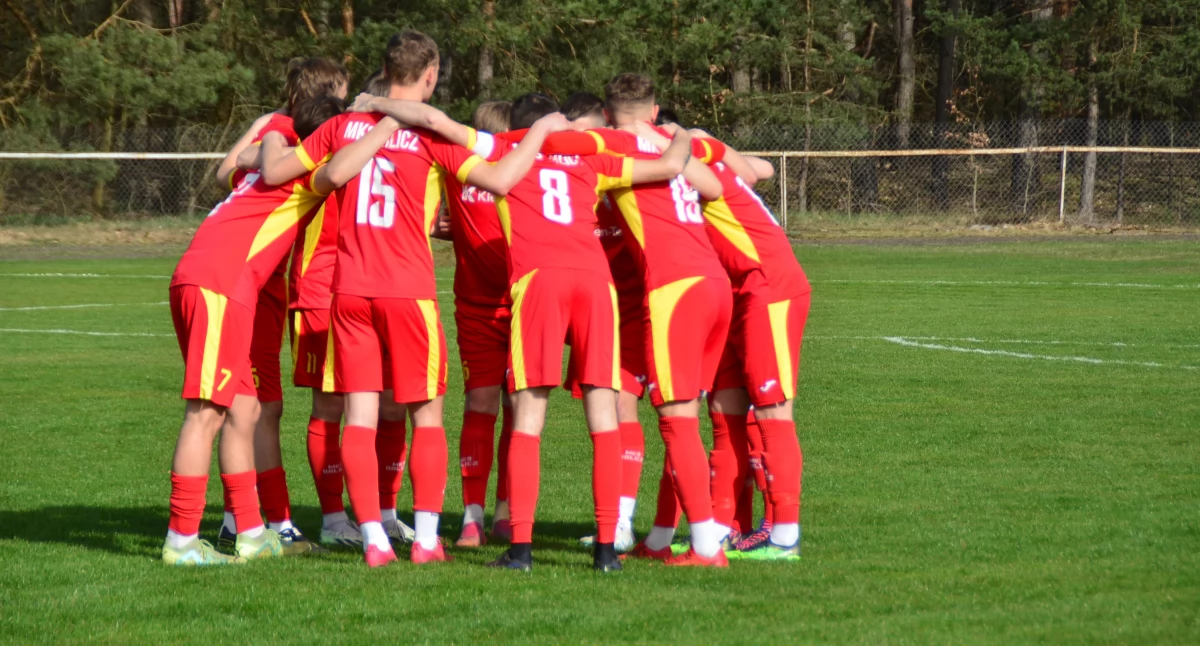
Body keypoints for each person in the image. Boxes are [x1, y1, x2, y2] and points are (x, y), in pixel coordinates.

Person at [260, 31, 570, 568]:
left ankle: (374, 540)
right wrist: (538, 134)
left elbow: (280, 172)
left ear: (382, 71)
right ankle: (426, 539)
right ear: (430, 75)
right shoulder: (431, 135)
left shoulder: (341, 125)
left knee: (358, 414)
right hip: (408, 293)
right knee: (426, 415)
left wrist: (265, 136)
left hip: (349, 290)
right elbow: (498, 180)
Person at [162, 95, 398, 566]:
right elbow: (332, 170)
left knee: (244, 411)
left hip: (217, 283)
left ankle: (250, 531)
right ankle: (181, 540)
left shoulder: (272, 164)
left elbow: (243, 160)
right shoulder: (303, 174)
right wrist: (392, 121)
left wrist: (270, 133)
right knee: (205, 413)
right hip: (219, 285)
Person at [470, 92, 694, 573]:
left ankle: (521, 550)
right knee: (604, 418)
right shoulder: (592, 159)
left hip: (539, 280)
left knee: (529, 419)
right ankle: (607, 552)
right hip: (597, 284)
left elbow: (446, 133)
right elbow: (669, 167)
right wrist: (682, 138)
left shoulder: (502, 149)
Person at [633, 120, 810, 560]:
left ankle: (785, 534)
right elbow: (757, 170)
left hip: (767, 283)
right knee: (722, 409)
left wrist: (668, 138)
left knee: (772, 408)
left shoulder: (684, 152)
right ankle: (720, 526)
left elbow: (739, 174)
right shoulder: (688, 153)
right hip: (731, 291)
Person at [211, 57, 349, 556]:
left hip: (270, 280)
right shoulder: (286, 130)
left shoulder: (285, 130)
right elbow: (228, 169)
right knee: (253, 406)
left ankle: (243, 518)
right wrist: (273, 155)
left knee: (258, 404)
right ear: (330, 92)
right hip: (252, 275)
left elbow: (227, 170)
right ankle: (266, 519)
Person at [594, 73, 733, 567]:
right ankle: (663, 538)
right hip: (715, 285)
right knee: (688, 418)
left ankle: (703, 548)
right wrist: (671, 139)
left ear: (608, 116)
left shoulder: (612, 147)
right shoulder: (668, 141)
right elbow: (713, 187)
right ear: (654, 110)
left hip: (674, 291)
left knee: (676, 422)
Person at [561, 92, 647, 554]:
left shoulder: (617, 166)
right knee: (608, 410)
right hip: (589, 302)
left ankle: (623, 522)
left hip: (628, 305)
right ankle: (623, 523)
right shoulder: (568, 170)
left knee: (621, 408)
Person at [439, 100, 517, 547]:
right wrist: (435, 222)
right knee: (498, 407)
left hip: (513, 303)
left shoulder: (464, 165)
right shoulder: (459, 167)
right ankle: (484, 515)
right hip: (485, 305)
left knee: (493, 407)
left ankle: (492, 515)